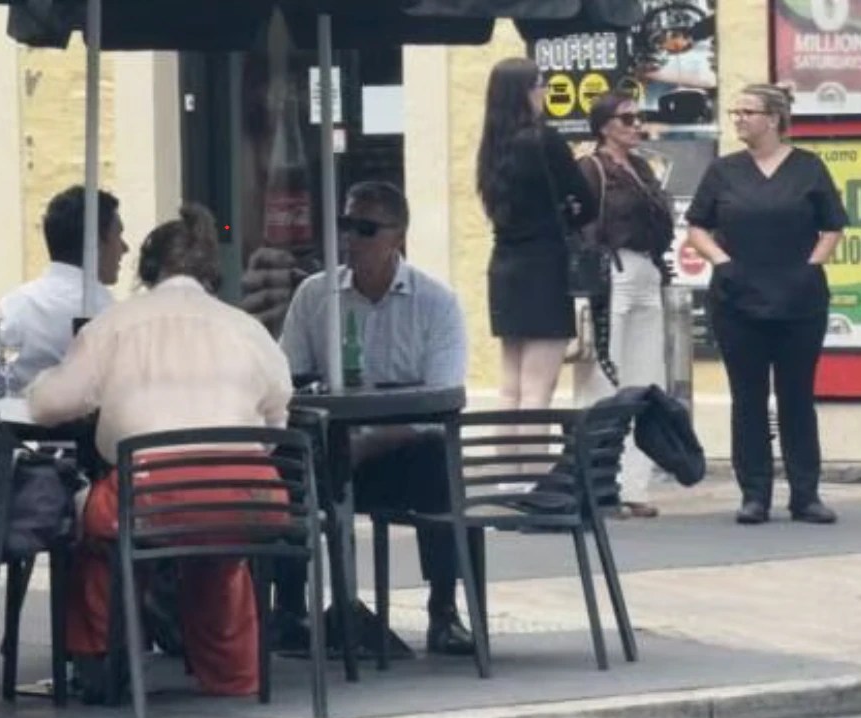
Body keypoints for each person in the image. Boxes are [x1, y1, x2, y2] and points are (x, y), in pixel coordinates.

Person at [27, 204, 293, 699]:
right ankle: (234, 675)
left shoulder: (113, 326)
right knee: (218, 557)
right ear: (211, 272)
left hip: (151, 496)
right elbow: (277, 421)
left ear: (147, 270)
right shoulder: (249, 330)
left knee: (95, 532)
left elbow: (48, 405)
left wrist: (41, 385)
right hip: (247, 499)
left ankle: (102, 665)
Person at [278, 181, 474, 655]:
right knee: (280, 469)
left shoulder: (436, 302)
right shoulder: (315, 295)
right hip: (327, 449)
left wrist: (371, 441)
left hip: (400, 454)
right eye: (346, 225)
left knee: (438, 460)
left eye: (365, 229)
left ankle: (443, 611)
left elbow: (442, 404)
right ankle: (290, 611)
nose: (351, 238)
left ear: (398, 236)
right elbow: (286, 381)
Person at [685, 84, 847, 526]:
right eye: (735, 112)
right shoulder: (724, 171)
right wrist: (722, 262)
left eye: (747, 112)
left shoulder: (808, 168)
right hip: (738, 299)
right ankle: (754, 494)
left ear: (774, 119)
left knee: (797, 396)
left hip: (799, 298)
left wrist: (811, 267)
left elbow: (833, 226)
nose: (738, 118)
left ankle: (805, 495)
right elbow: (697, 226)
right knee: (747, 398)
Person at [477, 58, 598, 425]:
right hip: (545, 268)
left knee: (510, 389)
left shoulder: (492, 147)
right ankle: (533, 461)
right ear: (525, 92)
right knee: (538, 389)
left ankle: (506, 464)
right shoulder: (545, 140)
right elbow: (585, 203)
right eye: (541, 84)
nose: (545, 91)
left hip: (504, 267)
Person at [573, 93, 676, 519]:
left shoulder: (642, 167)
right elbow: (579, 227)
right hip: (611, 272)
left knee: (645, 380)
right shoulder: (591, 167)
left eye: (640, 118)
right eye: (627, 119)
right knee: (602, 379)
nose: (637, 126)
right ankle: (598, 484)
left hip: (647, 269)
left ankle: (634, 485)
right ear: (604, 126)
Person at [0, 185, 127, 398]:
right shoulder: (111, 317)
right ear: (96, 244)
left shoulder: (11, 307)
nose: (124, 248)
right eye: (118, 235)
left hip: (17, 418)